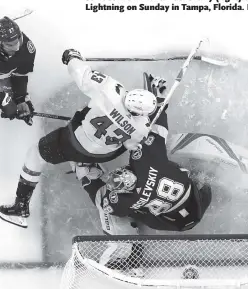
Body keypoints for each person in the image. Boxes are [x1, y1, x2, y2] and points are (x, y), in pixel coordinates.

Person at [0, 49, 158, 228]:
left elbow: (83, 76)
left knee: (35, 154)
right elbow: (130, 144)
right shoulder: (142, 127)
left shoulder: (111, 90)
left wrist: (72, 57)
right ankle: (87, 165)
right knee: (116, 142)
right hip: (103, 154)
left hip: (74, 143)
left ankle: (20, 207)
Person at [72, 73, 212, 272]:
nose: (119, 172)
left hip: (179, 223)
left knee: (106, 203)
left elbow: (104, 200)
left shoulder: (124, 200)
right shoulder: (148, 162)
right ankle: (218, 172)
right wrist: (160, 99)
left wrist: (86, 173)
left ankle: (126, 249)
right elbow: (158, 130)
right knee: (171, 152)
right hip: (198, 197)